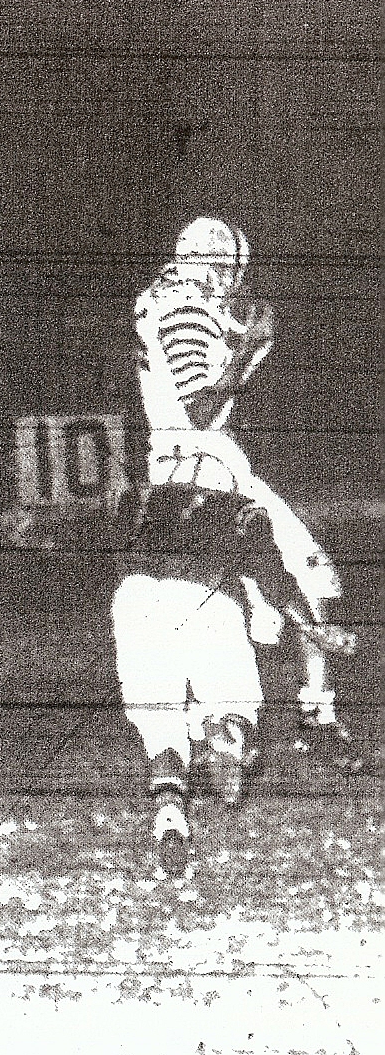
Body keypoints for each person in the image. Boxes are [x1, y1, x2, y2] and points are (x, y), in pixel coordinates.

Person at [134, 216, 348, 735]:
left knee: (259, 585)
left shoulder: (167, 298)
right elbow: (202, 407)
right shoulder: (184, 307)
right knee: (303, 574)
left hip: (186, 461)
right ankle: (304, 709)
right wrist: (251, 348)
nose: (233, 282)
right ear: (213, 264)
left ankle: (289, 708)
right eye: (228, 269)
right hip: (201, 462)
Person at [111, 451, 357, 879]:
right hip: (203, 597)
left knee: (158, 719)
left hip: (132, 599)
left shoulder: (140, 499)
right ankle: (225, 733)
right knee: (235, 700)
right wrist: (314, 629)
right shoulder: (242, 511)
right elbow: (275, 580)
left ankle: (170, 811)